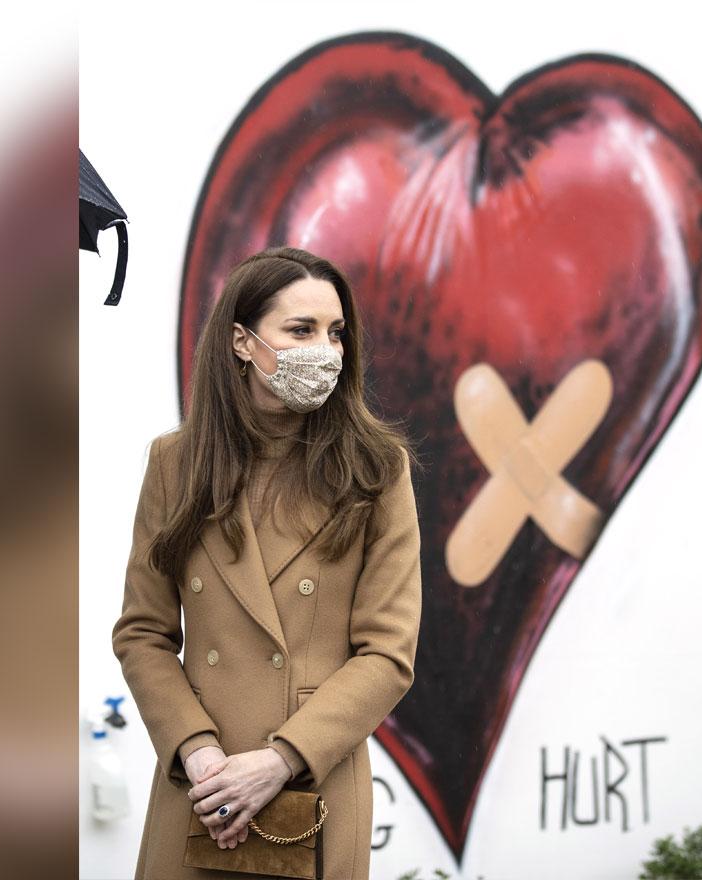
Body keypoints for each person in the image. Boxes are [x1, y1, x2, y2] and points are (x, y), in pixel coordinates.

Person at [112, 246, 423, 879]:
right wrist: (198, 753)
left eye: (337, 333)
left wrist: (280, 759)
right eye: (302, 330)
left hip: (314, 782)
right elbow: (143, 633)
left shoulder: (375, 469)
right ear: (242, 342)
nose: (328, 351)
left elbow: (387, 652)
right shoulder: (176, 465)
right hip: (203, 791)